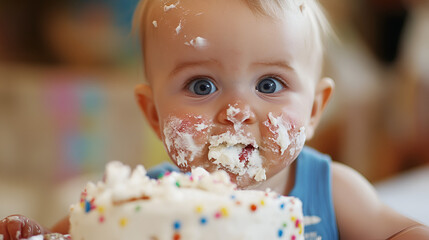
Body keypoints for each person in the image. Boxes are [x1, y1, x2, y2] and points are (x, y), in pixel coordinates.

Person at [1, 0, 429, 239]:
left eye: (269, 85)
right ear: (154, 115)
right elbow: (70, 233)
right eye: (202, 86)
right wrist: (34, 232)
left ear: (315, 110)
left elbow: (405, 232)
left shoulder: (331, 189)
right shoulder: (144, 200)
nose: (237, 112)